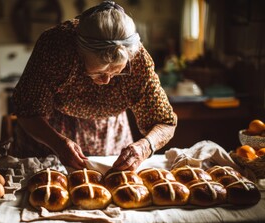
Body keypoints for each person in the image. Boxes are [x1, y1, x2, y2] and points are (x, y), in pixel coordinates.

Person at [11, 1, 177, 172]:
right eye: (98, 73)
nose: (106, 81)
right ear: (80, 54)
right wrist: (58, 143)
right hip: (51, 130)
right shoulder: (56, 46)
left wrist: (145, 146)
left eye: (116, 73)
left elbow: (164, 123)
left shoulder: (138, 61)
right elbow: (26, 109)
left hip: (109, 132)